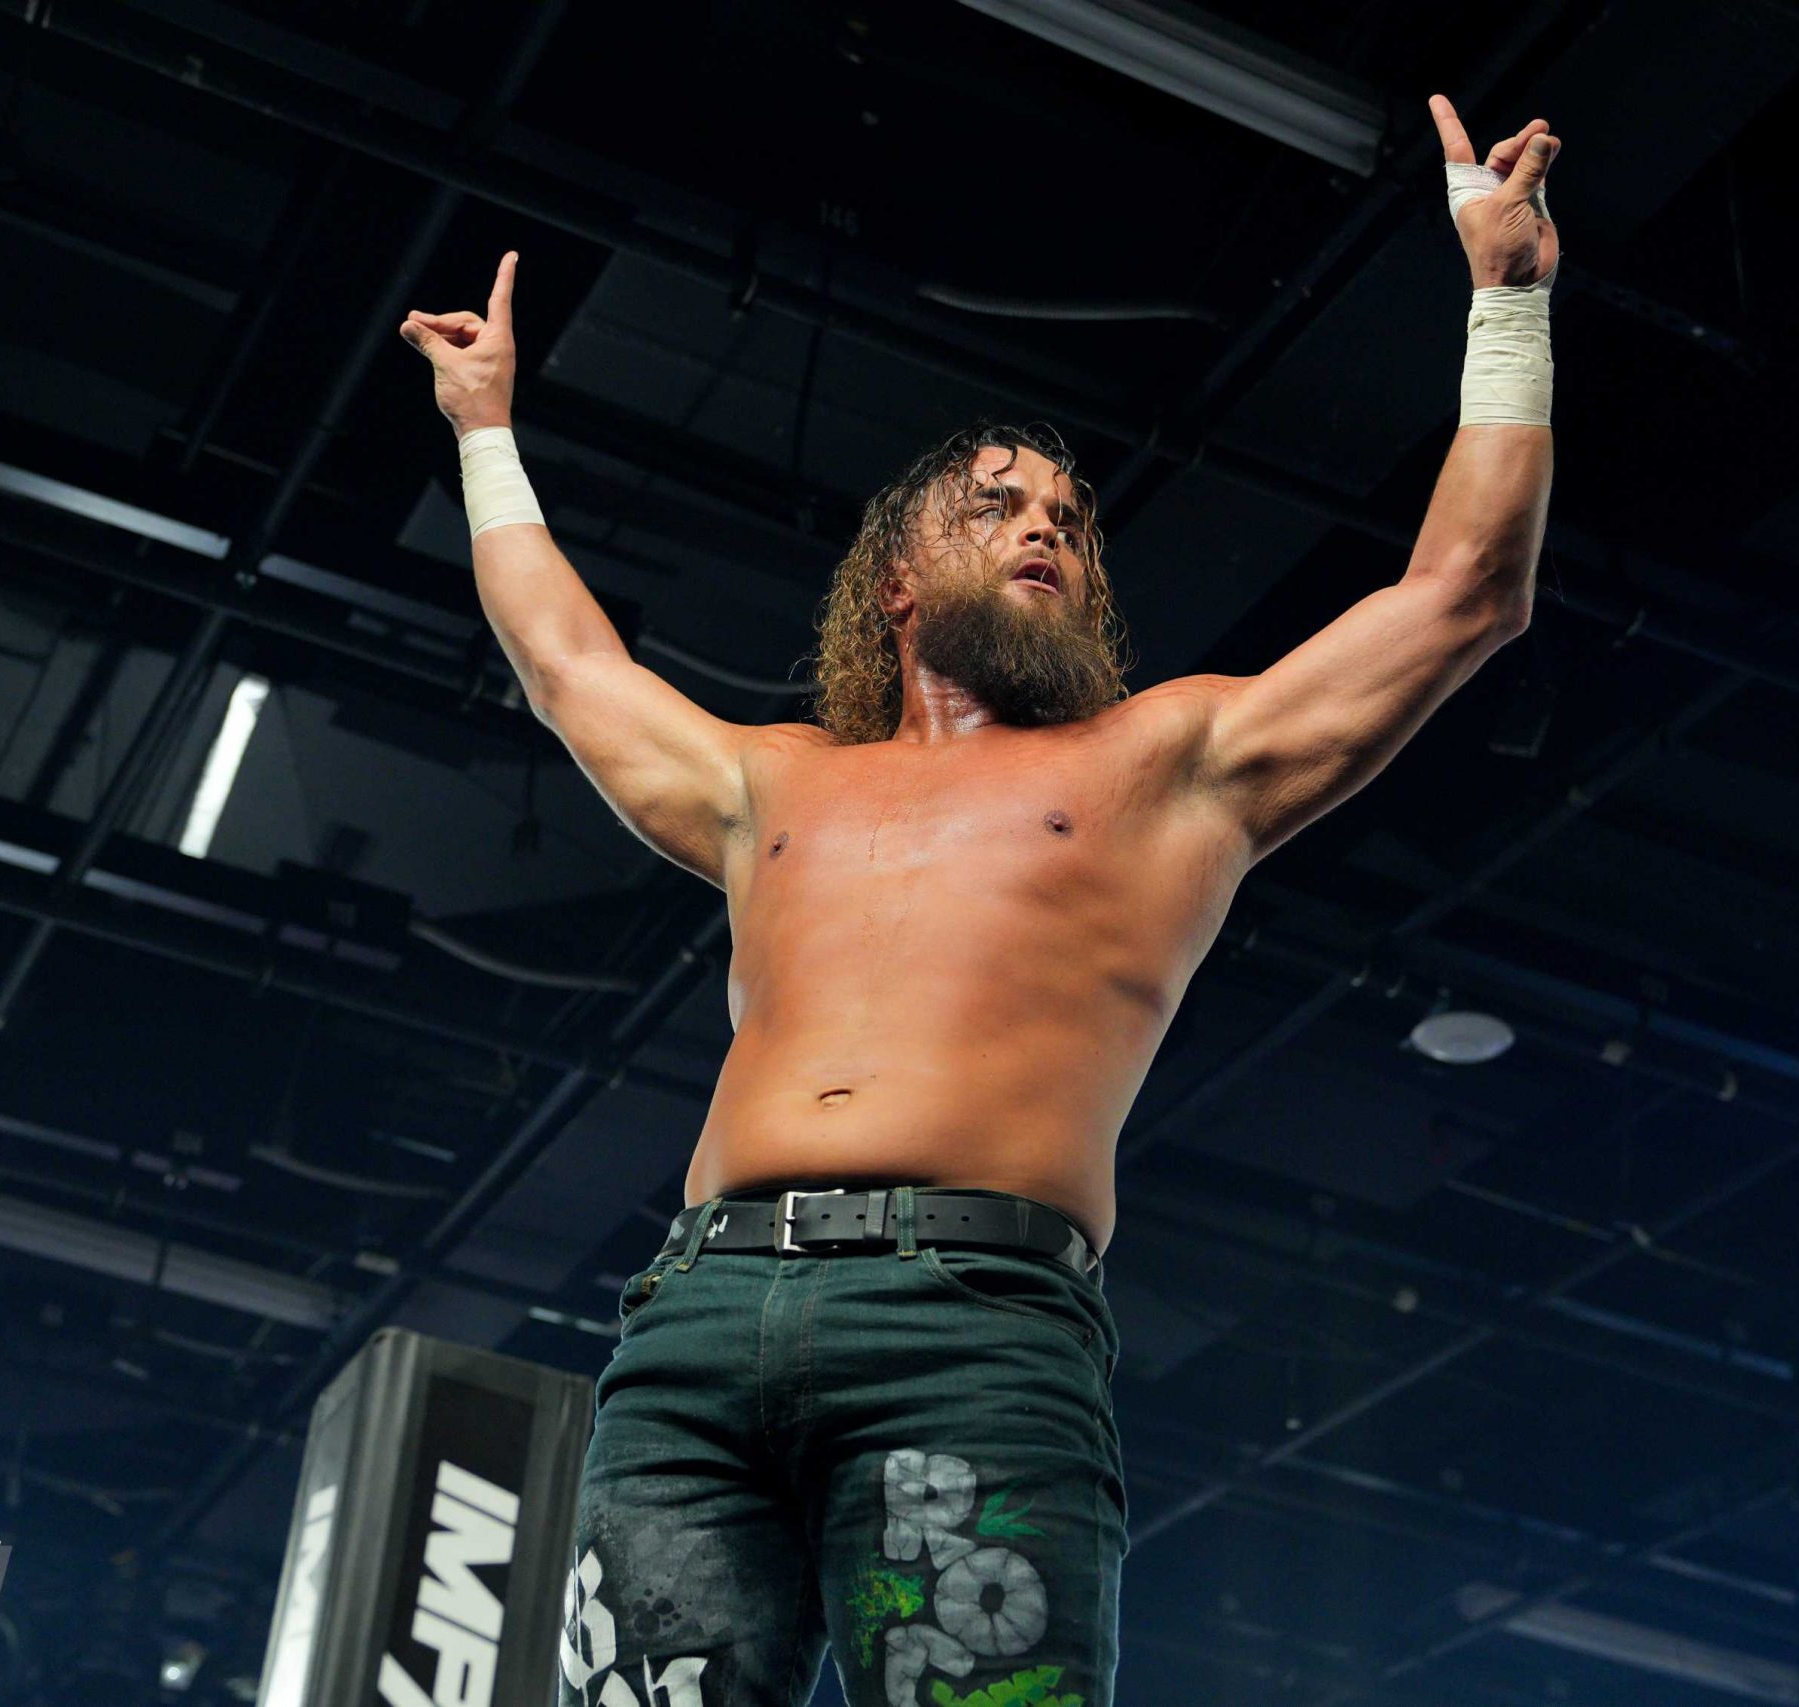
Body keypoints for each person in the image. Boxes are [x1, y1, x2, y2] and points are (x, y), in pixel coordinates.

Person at [400, 94, 1561, 1707]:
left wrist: (1508, 304)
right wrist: (483, 432)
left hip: (972, 1323)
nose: (1045, 532)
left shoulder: (1166, 761)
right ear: (896, 581)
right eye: (1000, 509)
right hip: (697, 1319)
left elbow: (1461, 595)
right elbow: (567, 665)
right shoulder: (775, 783)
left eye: (1068, 525)